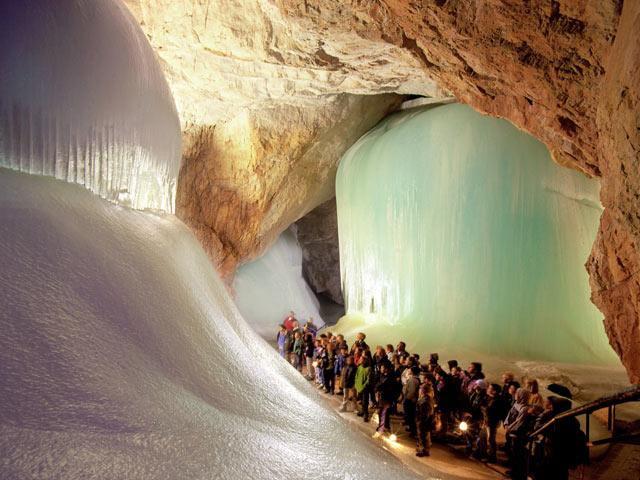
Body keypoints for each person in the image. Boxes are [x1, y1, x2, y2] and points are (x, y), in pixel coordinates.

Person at [485, 383, 506, 463]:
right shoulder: (491, 398)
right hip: (488, 421)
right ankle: (489, 454)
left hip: (492, 422)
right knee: (489, 438)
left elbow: (494, 412)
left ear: (494, 391)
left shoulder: (497, 400)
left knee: (491, 439)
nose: (488, 389)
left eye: (490, 388)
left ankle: (492, 457)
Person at [375, 362, 396, 434]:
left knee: (382, 412)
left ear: (386, 369)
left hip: (386, 398)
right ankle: (385, 426)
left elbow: (383, 386)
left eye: (382, 368)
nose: (380, 369)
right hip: (382, 397)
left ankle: (383, 427)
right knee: (382, 413)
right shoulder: (382, 375)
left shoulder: (390, 378)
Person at [416, 382, 435, 457]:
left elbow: (426, 412)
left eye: (421, 389)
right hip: (424, 420)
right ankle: (423, 449)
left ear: (423, 390)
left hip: (424, 421)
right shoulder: (425, 398)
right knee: (424, 435)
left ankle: (424, 450)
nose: (419, 390)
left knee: (424, 435)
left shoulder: (426, 400)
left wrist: (421, 420)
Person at [402, 366, 420, 437]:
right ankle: (412, 429)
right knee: (410, 415)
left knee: (410, 416)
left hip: (410, 400)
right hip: (411, 399)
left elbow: (412, 391)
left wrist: (407, 398)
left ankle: (413, 431)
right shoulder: (414, 379)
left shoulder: (413, 380)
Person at [355, 356, 372, 422]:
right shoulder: (359, 367)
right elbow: (356, 376)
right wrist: (356, 384)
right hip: (359, 387)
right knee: (361, 401)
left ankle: (366, 414)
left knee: (365, 401)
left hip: (365, 388)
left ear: (364, 361)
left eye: (361, 359)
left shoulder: (369, 369)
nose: (359, 360)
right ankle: (362, 411)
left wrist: (363, 387)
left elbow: (368, 380)